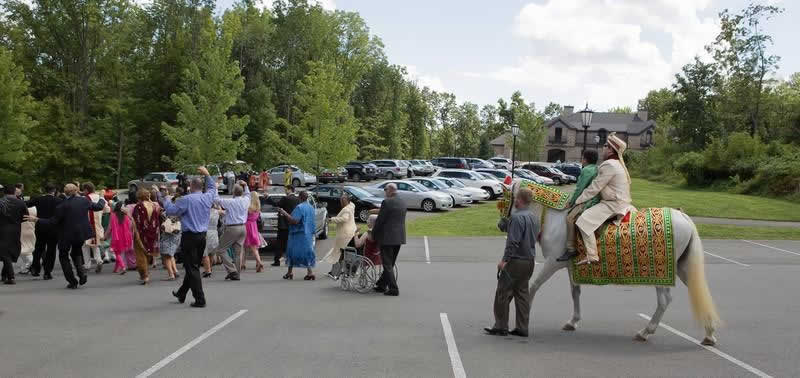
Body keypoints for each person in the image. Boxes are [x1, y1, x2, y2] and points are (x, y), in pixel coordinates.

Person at [572, 133, 636, 265]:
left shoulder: (609, 165)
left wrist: (576, 201)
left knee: (583, 220)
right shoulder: (616, 164)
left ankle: (592, 255)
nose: (603, 147)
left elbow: (594, 188)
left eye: (605, 145)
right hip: (618, 202)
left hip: (613, 204)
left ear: (611, 149)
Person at [26, 183, 106, 289]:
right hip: (81, 233)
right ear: (76, 191)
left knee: (64, 256)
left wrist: (37, 220)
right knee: (76, 252)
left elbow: (52, 222)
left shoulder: (62, 206)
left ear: (65, 192)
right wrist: (101, 197)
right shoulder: (84, 201)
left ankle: (72, 280)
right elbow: (99, 207)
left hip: (66, 234)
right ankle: (81, 274)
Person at [159, 167, 218, 308]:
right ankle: (182, 293)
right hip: (202, 236)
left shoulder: (186, 199)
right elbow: (212, 188)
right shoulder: (207, 197)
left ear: (191, 187)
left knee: (191, 267)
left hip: (190, 236)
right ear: (201, 187)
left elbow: (171, 210)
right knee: (194, 266)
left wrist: (166, 198)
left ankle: (200, 299)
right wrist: (207, 174)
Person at [484, 187, 538, 338]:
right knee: (522, 294)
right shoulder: (534, 217)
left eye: (515, 198)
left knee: (503, 292)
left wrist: (504, 261)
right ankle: (522, 327)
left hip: (516, 260)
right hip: (529, 260)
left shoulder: (516, 217)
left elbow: (513, 242)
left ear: (519, 200)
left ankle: (501, 325)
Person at [557, 150, 601, 262]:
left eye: (582, 158)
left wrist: (571, 203)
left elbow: (579, 189)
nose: (581, 160)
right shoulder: (597, 168)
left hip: (588, 201)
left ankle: (571, 248)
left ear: (585, 159)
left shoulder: (586, 170)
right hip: (597, 199)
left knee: (569, 218)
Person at [209, 180, 250, 281]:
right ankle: (236, 274)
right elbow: (248, 194)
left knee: (220, 249)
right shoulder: (246, 200)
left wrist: (215, 188)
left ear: (233, 192)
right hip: (243, 227)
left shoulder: (230, 202)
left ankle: (232, 271)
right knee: (237, 252)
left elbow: (216, 199)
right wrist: (246, 186)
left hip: (232, 228)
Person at [372, 183, 407, 296]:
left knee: (387, 264)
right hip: (399, 237)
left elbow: (380, 220)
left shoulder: (387, 202)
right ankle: (382, 284)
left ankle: (393, 288)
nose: (385, 192)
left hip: (387, 237)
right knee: (390, 264)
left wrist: (373, 233)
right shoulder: (402, 201)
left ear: (391, 190)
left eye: (385, 190)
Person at [277, 190, 316, 280]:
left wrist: (284, 213)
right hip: (308, 233)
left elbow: (295, 221)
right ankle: (292, 272)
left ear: (300, 198)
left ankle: (302, 272)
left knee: (292, 252)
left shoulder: (299, 207)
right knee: (306, 252)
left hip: (298, 234)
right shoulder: (311, 207)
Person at [25, 184, 61, 279]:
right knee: (51, 250)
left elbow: (25, 204)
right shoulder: (59, 201)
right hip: (53, 228)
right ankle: (47, 271)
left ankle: (35, 268)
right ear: (54, 190)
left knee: (38, 248)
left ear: (45, 190)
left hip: (40, 226)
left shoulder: (39, 199)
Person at [131, 188, 161, 285]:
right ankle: (145, 272)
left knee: (140, 254)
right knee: (149, 252)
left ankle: (144, 275)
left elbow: (135, 221)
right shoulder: (154, 205)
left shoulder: (138, 207)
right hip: (153, 232)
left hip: (141, 233)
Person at [323, 194, 356, 280]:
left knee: (338, 253)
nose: (341, 202)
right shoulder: (352, 205)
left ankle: (335, 272)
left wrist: (332, 219)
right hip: (351, 231)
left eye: (343, 201)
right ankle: (336, 271)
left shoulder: (346, 209)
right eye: (341, 200)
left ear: (346, 201)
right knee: (340, 253)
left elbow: (344, 219)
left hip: (344, 234)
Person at [1, 184, 28, 285]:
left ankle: (11, 276)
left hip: (2, 229)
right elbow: (26, 216)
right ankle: (4, 275)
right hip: (16, 229)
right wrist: (17, 222)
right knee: (9, 251)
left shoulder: (1, 202)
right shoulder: (20, 203)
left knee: (4, 252)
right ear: (14, 192)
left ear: (4, 192)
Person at [82, 183, 109, 273]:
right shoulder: (100, 198)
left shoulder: (83, 199)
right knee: (95, 244)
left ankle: (87, 265)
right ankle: (99, 261)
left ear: (86, 190)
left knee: (85, 246)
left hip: (86, 224)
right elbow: (107, 210)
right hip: (98, 224)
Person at [273, 185, 300, 266]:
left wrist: (268, 198)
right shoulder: (297, 199)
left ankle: (277, 260)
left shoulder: (285, 198)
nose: (285, 191)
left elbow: (277, 204)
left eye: (286, 190)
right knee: (292, 243)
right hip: (293, 224)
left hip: (283, 225)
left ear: (290, 190)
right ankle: (293, 260)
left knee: (280, 243)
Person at [106, 202, 133, 274]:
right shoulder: (125, 215)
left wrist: (105, 236)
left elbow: (109, 228)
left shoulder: (113, 215)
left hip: (116, 237)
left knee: (117, 253)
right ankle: (116, 269)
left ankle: (123, 267)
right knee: (119, 253)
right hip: (125, 237)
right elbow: (131, 225)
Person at [242, 192, 266, 273]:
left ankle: (259, 262)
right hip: (254, 226)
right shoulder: (258, 207)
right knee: (254, 247)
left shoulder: (248, 207)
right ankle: (245, 263)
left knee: (245, 247)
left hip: (247, 226)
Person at [159, 211, 181, 281]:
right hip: (176, 236)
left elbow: (164, 225)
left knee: (166, 257)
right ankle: (175, 271)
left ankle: (171, 274)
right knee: (171, 255)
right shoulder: (179, 211)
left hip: (167, 236)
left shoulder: (166, 213)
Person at [202, 204, 222, 278]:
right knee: (211, 253)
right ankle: (209, 268)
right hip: (214, 232)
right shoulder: (217, 212)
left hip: (206, 232)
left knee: (205, 253)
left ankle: (208, 271)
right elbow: (226, 212)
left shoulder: (203, 212)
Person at [17, 206, 37, 275]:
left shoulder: (20, 209)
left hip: (22, 231)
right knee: (29, 249)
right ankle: (26, 267)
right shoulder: (34, 210)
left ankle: (29, 265)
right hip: (31, 231)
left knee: (24, 250)